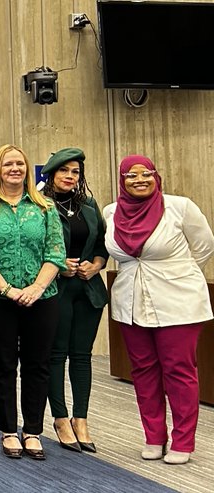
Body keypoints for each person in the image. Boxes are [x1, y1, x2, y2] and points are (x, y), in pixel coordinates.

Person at [103, 155, 213, 466]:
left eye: (146, 174)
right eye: (131, 175)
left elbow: (205, 245)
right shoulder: (111, 212)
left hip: (178, 301)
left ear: (156, 176)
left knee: (179, 371)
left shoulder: (180, 206)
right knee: (143, 372)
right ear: (122, 180)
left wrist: (181, 274)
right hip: (131, 302)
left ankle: (183, 440)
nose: (139, 180)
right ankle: (153, 437)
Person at [0, 144, 65, 461]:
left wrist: (37, 287)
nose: (15, 168)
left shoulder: (45, 207)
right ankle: (9, 430)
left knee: (38, 365)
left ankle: (34, 431)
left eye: (20, 164)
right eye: (8, 163)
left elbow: (55, 253)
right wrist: (8, 288)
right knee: (3, 364)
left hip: (43, 297)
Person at [40, 147, 107, 455]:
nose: (70, 176)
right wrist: (57, 264)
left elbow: (103, 244)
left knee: (82, 356)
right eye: (64, 171)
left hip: (88, 289)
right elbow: (30, 245)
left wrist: (97, 263)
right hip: (56, 289)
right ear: (51, 173)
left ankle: (81, 418)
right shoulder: (39, 205)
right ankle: (60, 418)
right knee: (57, 354)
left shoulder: (89, 205)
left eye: (75, 172)